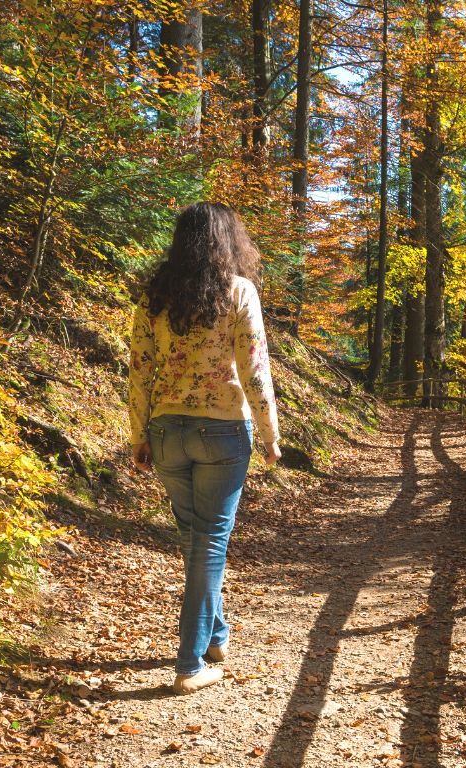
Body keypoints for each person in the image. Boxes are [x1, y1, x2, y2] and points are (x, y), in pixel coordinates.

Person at [128, 202, 281, 694]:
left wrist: (138, 434)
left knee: (197, 540)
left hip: (168, 432)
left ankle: (215, 636)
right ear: (227, 242)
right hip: (222, 431)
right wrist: (271, 432)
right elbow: (255, 366)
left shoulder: (155, 298)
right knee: (210, 542)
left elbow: (139, 369)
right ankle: (190, 664)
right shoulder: (239, 291)